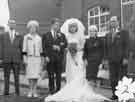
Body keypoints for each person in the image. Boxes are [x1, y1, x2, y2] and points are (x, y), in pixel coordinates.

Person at [45, 18, 109, 102]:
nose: (73, 28)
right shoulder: (65, 35)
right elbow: (64, 45)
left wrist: (77, 50)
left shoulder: (81, 36)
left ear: (76, 27)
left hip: (79, 56)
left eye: (74, 27)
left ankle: (79, 89)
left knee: (79, 73)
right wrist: (68, 49)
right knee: (71, 72)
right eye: (71, 27)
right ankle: (70, 89)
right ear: (69, 28)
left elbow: (83, 47)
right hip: (70, 58)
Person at [104, 16, 129, 100]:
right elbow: (106, 48)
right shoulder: (108, 34)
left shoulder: (124, 32)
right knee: (113, 79)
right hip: (111, 61)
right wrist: (106, 60)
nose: (112, 23)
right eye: (111, 21)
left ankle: (124, 96)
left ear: (118, 22)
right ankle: (115, 95)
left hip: (121, 60)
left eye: (114, 21)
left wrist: (126, 58)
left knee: (123, 78)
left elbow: (127, 46)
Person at [42, 18, 67, 94]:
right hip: (50, 58)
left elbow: (65, 44)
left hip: (59, 58)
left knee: (59, 75)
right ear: (52, 25)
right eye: (56, 24)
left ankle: (58, 89)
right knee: (51, 75)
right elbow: (44, 47)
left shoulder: (62, 35)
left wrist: (59, 47)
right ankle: (51, 90)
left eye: (59, 25)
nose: (58, 26)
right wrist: (45, 56)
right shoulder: (46, 35)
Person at [0, 20, 23, 95]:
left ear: (15, 25)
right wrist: (1, 58)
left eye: (13, 23)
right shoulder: (3, 35)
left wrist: (21, 59)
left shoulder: (19, 35)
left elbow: (21, 48)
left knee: (17, 77)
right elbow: (1, 47)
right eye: (10, 23)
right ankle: (6, 92)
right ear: (8, 24)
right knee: (6, 77)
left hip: (16, 59)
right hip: (6, 59)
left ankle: (17, 92)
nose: (12, 25)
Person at [22, 20, 43, 97]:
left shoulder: (39, 38)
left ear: (36, 28)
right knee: (30, 75)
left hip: (37, 58)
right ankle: (30, 90)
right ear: (29, 28)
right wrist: (24, 59)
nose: (33, 29)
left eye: (34, 27)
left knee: (36, 75)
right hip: (29, 58)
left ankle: (35, 90)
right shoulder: (26, 37)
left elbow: (41, 50)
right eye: (31, 27)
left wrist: (41, 60)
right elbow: (24, 50)